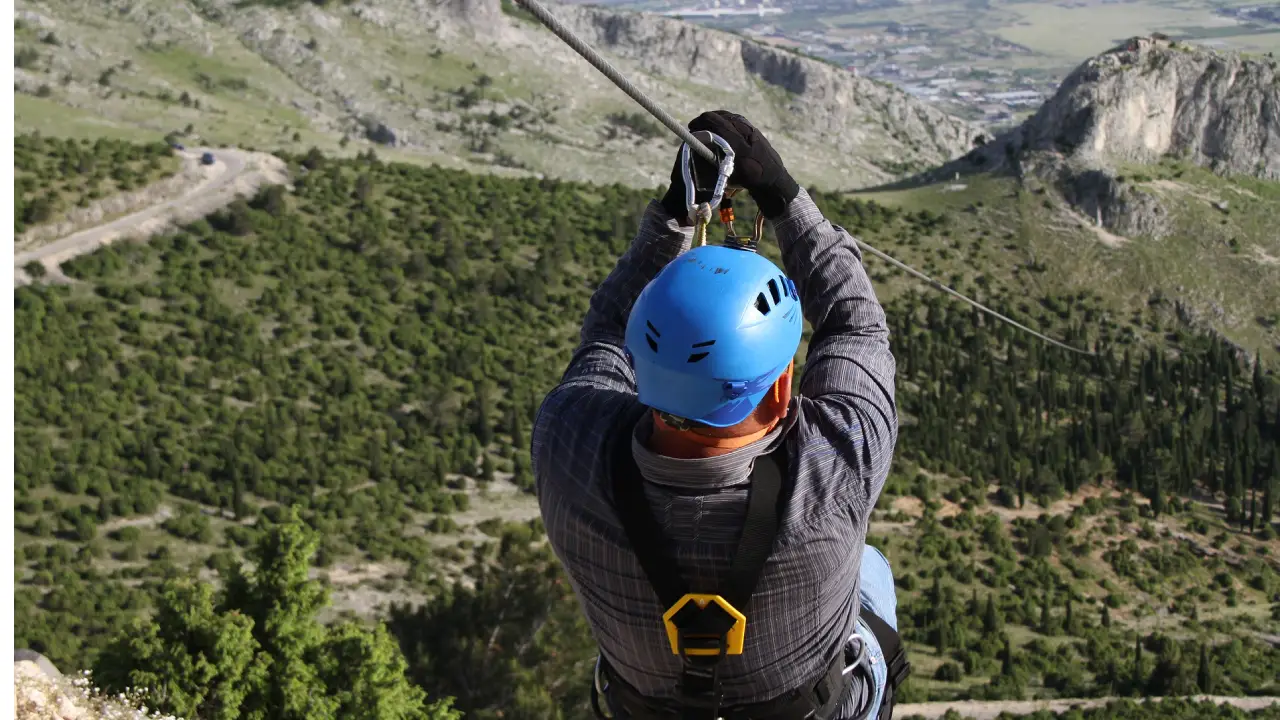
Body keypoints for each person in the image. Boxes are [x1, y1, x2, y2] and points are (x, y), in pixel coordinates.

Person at [532, 110, 907, 720]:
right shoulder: (834, 468)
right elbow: (854, 322)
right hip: (818, 708)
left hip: (641, 706)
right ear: (783, 390)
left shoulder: (568, 443)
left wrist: (677, 215)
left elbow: (604, 333)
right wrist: (782, 195)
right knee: (870, 567)